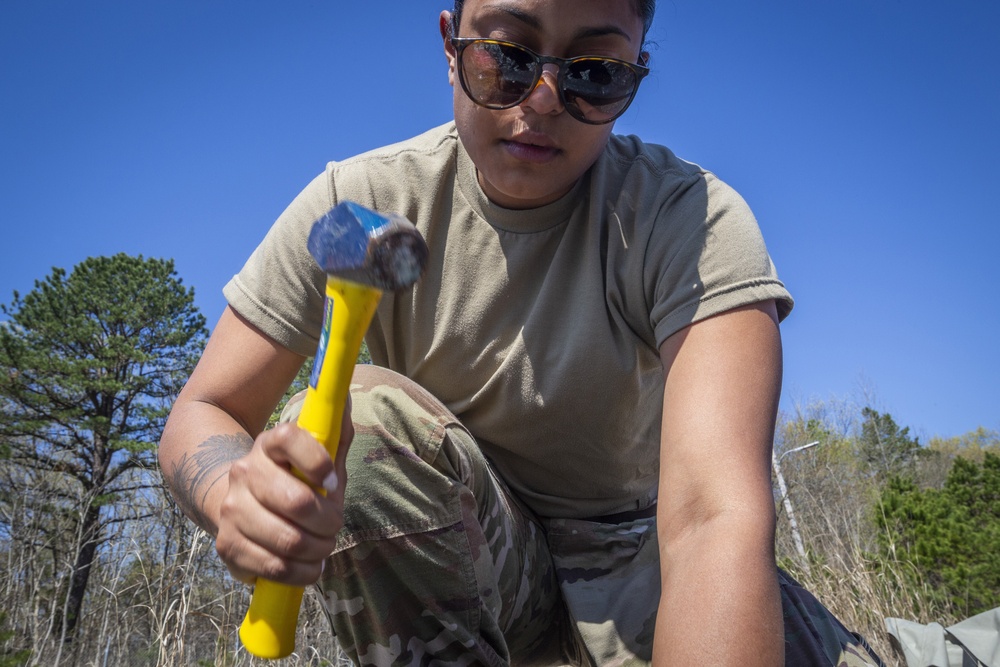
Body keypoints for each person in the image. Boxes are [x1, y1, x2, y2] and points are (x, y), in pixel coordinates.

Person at [159, 1, 886, 665]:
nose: (542, 101)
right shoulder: (357, 202)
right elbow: (205, 410)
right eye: (505, 58)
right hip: (486, 575)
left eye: (594, 74)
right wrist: (232, 493)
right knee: (367, 421)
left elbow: (708, 520)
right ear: (451, 46)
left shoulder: (691, 221)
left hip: (648, 571)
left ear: (635, 72)